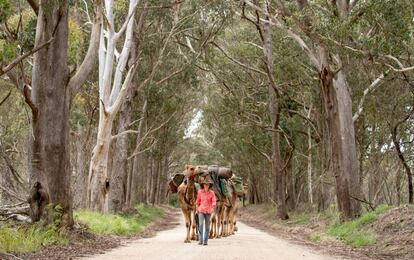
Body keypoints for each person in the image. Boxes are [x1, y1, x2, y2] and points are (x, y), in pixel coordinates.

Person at [196, 176, 216, 246]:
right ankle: (200, 240)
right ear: (203, 185)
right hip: (201, 211)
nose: (206, 185)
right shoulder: (200, 192)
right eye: (205, 184)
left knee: (207, 227)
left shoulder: (212, 193)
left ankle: (205, 241)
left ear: (209, 185)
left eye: (207, 184)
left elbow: (214, 202)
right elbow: (197, 202)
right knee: (200, 225)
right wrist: (197, 209)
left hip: (208, 212)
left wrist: (212, 208)